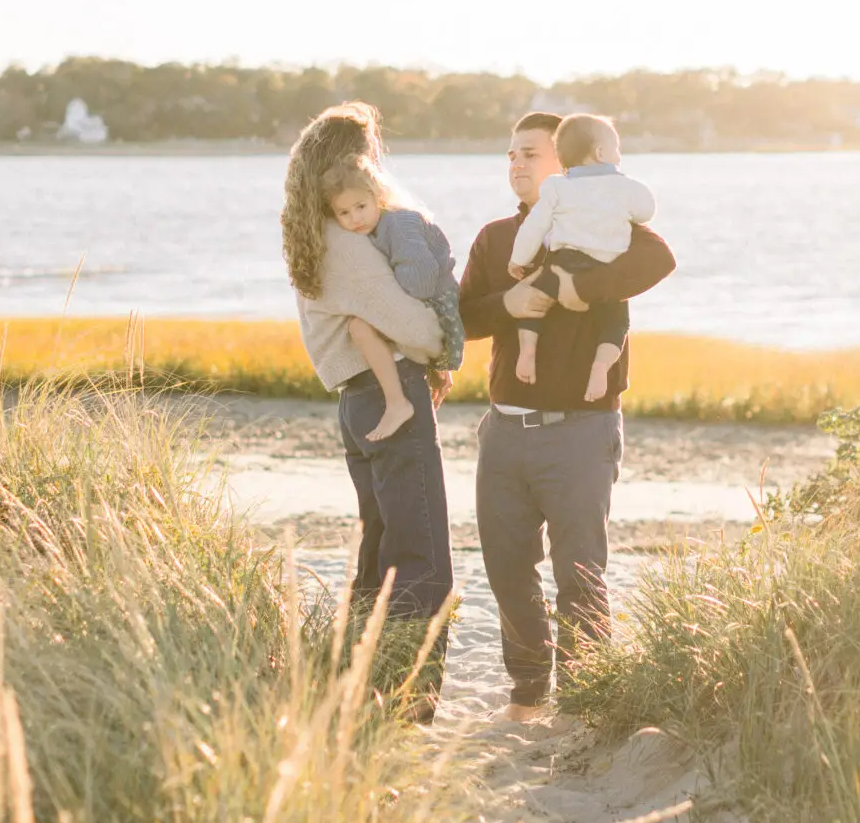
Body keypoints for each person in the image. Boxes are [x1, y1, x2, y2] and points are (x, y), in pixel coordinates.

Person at [459, 111, 676, 720]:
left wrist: (583, 288)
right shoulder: (497, 238)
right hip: (504, 429)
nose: (516, 164)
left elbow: (659, 261)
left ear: (565, 163)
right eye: (510, 155)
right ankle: (528, 690)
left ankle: (585, 701)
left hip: (582, 430)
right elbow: (464, 319)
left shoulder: (614, 224)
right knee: (506, 567)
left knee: (580, 573)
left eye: (530, 153)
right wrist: (509, 302)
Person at [282, 103, 454, 708]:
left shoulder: (313, 234)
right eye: (370, 152)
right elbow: (418, 328)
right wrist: (441, 340)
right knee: (422, 560)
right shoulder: (347, 246)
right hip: (391, 395)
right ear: (352, 162)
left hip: (358, 404)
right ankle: (407, 704)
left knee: (381, 558)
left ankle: (359, 693)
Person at [508, 112, 657, 401]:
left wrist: (518, 260)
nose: (619, 157)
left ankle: (527, 351)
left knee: (532, 306)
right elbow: (646, 210)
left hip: (562, 262)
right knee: (615, 324)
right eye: (617, 150)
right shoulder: (624, 187)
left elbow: (533, 227)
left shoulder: (556, 187)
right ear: (601, 152)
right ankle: (600, 367)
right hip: (604, 265)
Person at [322, 150, 464, 442]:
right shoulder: (375, 229)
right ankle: (398, 399)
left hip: (438, 307)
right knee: (358, 327)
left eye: (360, 206)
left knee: (360, 327)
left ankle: (398, 403)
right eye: (344, 213)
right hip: (427, 307)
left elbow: (421, 279)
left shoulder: (400, 223)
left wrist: (387, 298)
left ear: (378, 196)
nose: (355, 218)